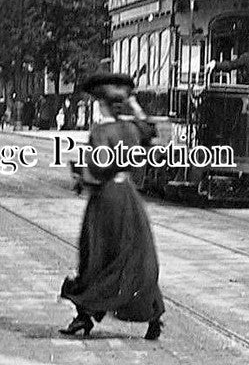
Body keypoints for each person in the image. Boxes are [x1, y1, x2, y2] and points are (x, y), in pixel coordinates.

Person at [59, 72, 164, 341]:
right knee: (134, 255)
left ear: (100, 104)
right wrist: (135, 105)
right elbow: (150, 129)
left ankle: (83, 318)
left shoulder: (100, 132)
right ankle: (153, 318)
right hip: (128, 197)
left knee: (97, 256)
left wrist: (79, 173)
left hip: (105, 200)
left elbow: (97, 171)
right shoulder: (131, 129)